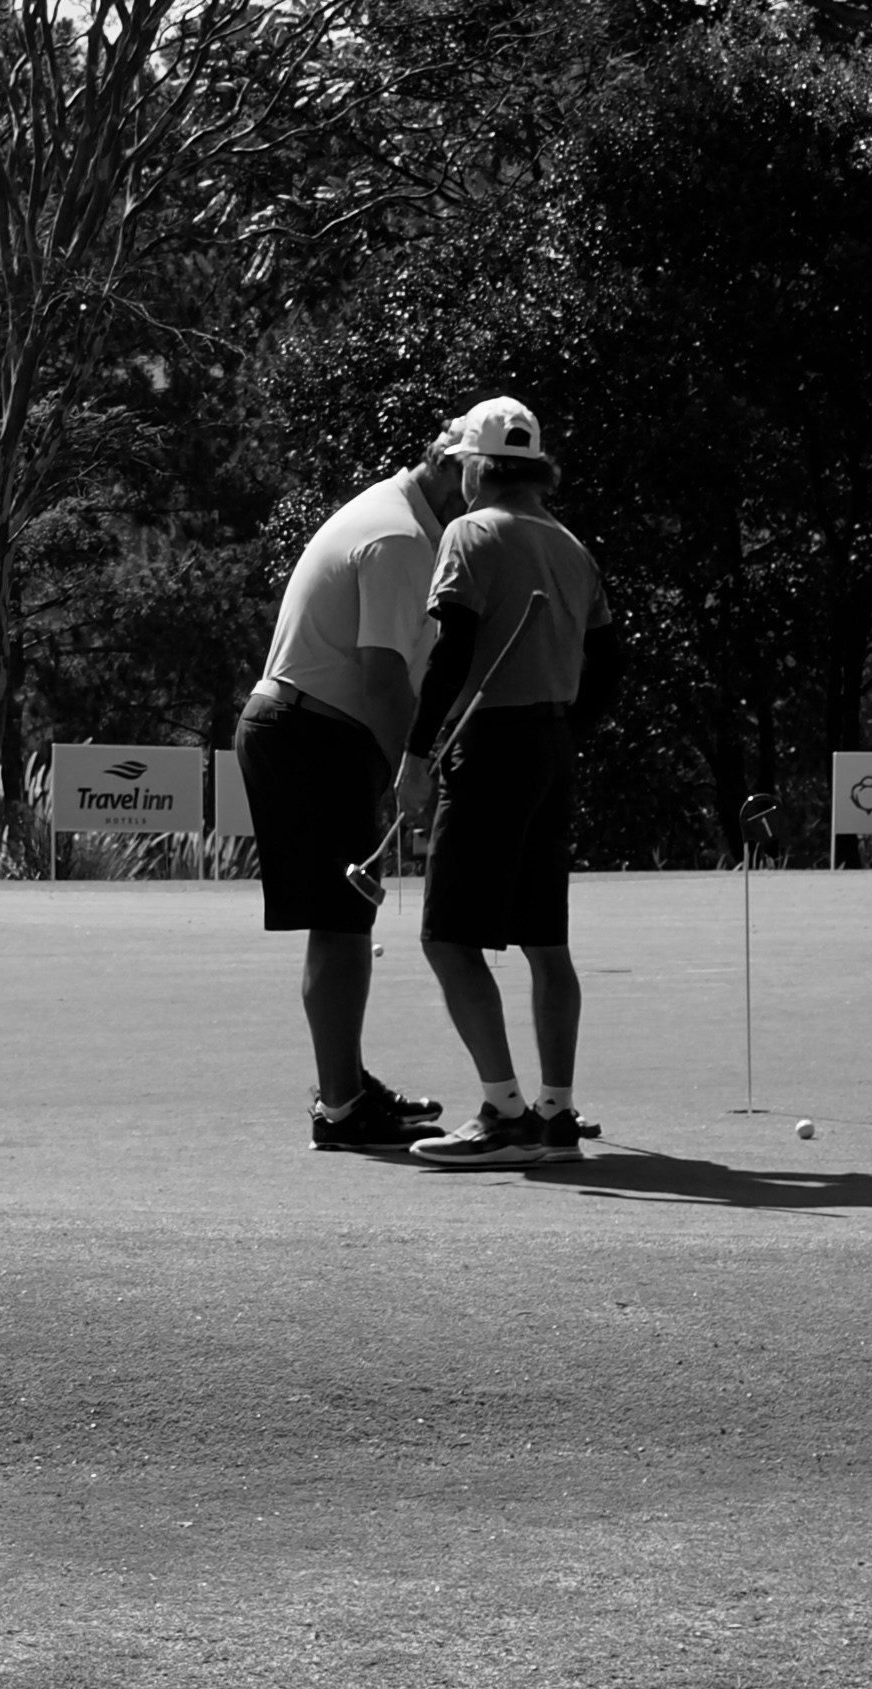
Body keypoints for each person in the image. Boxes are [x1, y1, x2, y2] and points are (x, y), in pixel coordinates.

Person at [398, 397, 620, 1168]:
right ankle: (555, 1115)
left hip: (490, 747)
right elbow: (608, 666)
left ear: (478, 467)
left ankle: (504, 1110)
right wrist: (559, 731)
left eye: (461, 465)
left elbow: (451, 652)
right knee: (544, 941)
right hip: (550, 745)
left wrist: (416, 756)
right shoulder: (570, 544)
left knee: (447, 938)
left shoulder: (469, 531)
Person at [235, 426, 471, 1150]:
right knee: (339, 925)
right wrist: (419, 767)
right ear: (450, 471)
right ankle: (339, 1108)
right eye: (484, 481)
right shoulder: (402, 539)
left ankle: (345, 1084)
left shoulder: (399, 514)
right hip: (311, 732)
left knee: (345, 922)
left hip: (315, 730)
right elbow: (380, 675)